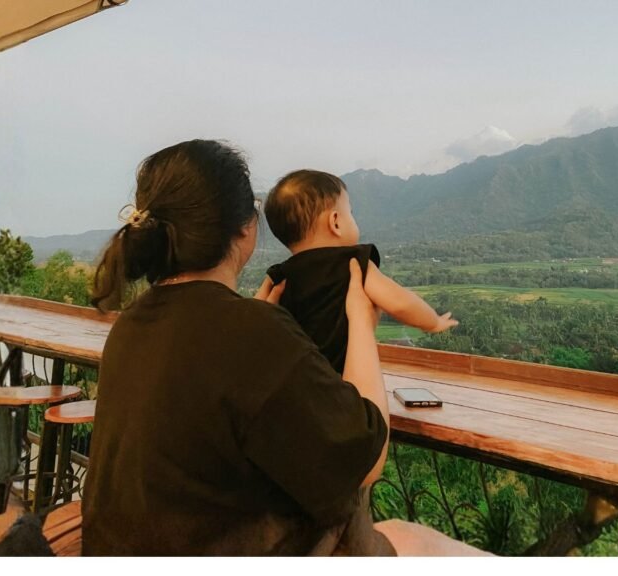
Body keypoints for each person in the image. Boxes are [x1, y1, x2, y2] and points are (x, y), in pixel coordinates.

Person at [81, 139, 485, 556]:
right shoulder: (248, 330)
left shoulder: (132, 324)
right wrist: (361, 323)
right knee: (428, 544)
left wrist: (258, 327)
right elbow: (365, 463)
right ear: (246, 227)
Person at [259, 169, 459, 374]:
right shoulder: (353, 264)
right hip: (343, 383)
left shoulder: (278, 276)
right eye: (351, 213)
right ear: (335, 222)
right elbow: (401, 303)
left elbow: (257, 318)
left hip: (296, 384)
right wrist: (433, 322)